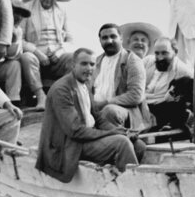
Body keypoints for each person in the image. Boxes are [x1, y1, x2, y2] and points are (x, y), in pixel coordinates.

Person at [37, 48, 145, 182]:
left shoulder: (85, 83)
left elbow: (98, 117)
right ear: (73, 65)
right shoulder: (62, 90)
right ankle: (134, 187)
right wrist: (113, 135)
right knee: (121, 143)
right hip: (68, 146)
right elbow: (75, 131)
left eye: (92, 64)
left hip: (84, 139)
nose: (89, 68)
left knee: (138, 145)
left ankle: (120, 179)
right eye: (84, 64)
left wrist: (121, 131)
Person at [143, 37, 195, 134]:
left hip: (164, 106)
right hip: (144, 107)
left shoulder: (182, 69)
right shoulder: (148, 61)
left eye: (164, 53)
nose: (160, 57)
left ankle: (188, 120)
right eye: (157, 53)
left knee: (188, 83)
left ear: (175, 52)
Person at [22, 0, 76, 100]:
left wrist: (59, 52)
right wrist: (37, 53)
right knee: (26, 57)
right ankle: (41, 96)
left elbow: (70, 39)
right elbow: (19, 39)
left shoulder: (61, 11)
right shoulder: (26, 8)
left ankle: (65, 96)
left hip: (57, 57)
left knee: (74, 57)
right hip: (36, 57)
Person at [92, 24, 150, 131]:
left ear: (121, 38)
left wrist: (105, 103)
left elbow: (136, 95)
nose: (109, 41)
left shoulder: (132, 60)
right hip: (96, 109)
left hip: (126, 112)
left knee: (109, 111)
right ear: (100, 40)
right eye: (105, 38)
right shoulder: (96, 62)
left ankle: (116, 144)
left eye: (113, 36)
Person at [0, 2, 34, 106]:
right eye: (15, 12)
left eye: (21, 14)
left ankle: (14, 101)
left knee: (15, 64)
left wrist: (14, 39)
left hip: (1, 67)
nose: (18, 17)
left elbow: (13, 55)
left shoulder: (18, 30)